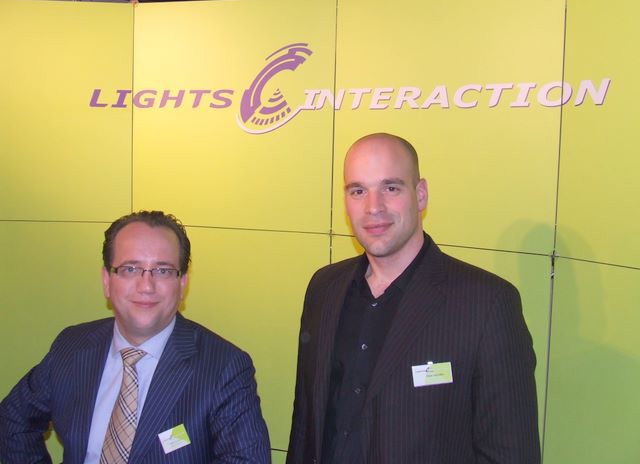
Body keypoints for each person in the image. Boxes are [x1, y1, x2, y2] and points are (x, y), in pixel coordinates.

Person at [286, 133, 540, 463]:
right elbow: (305, 428)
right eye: (358, 191)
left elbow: (511, 454)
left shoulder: (487, 304)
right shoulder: (324, 288)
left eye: (391, 188)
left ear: (420, 195)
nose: (373, 207)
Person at [0, 210, 271, 463]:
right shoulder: (72, 346)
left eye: (163, 270)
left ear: (182, 284)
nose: (146, 286)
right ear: (107, 281)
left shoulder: (224, 367)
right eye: (130, 269)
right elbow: (13, 420)